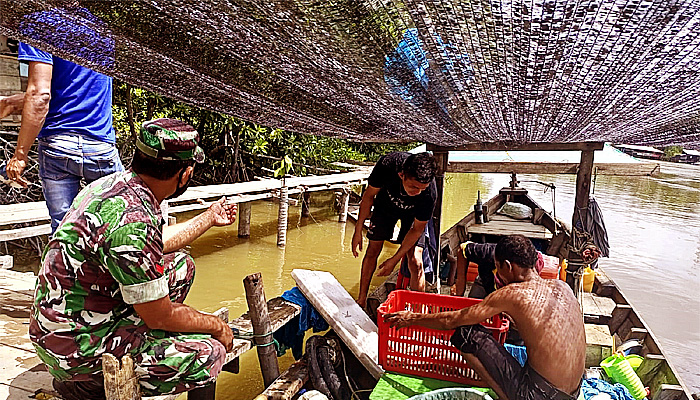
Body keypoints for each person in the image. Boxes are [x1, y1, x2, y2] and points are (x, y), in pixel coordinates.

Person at [30, 118, 235, 399]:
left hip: (58, 324)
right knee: (210, 354)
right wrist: (216, 325)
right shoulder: (134, 223)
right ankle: (85, 383)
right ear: (185, 174)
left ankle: (142, 336)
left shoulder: (112, 186)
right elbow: (160, 313)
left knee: (181, 266)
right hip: (72, 348)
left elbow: (153, 245)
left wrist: (209, 217)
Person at [386, 235, 585, 400]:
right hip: (573, 394)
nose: (499, 274)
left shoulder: (513, 293)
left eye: (498, 268)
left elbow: (452, 320)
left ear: (508, 266)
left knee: (466, 332)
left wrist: (411, 318)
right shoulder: (562, 287)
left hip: (537, 395)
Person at [6, 40, 123, 232]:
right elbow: (76, 90)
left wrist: (20, 155)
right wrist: (12, 103)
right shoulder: (102, 33)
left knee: (63, 233)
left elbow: (39, 95)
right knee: (114, 228)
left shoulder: (38, 27)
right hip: (99, 144)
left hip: (57, 145)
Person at [351, 151, 437, 308]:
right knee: (373, 249)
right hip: (385, 205)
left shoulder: (429, 194)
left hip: (413, 214)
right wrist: (358, 229)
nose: (416, 192)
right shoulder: (387, 165)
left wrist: (395, 259)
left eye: (421, 188)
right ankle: (361, 298)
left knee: (416, 261)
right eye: (413, 186)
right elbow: (368, 196)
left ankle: (416, 310)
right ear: (401, 175)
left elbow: (417, 230)